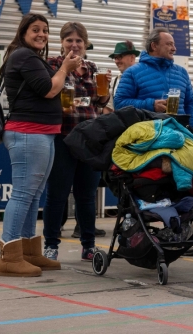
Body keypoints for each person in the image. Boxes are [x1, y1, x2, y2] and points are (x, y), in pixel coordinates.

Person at [0, 14, 81, 276]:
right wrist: (65, 68)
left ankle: (30, 252)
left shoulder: (32, 58)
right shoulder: (23, 56)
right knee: (23, 194)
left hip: (41, 134)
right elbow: (48, 90)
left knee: (33, 196)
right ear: (23, 32)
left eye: (45, 30)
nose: (41, 34)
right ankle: (9, 257)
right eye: (35, 30)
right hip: (28, 134)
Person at [44, 22, 112, 262]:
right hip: (63, 137)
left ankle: (88, 246)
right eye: (69, 40)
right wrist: (65, 67)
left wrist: (106, 89)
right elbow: (49, 92)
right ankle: (50, 245)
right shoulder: (53, 64)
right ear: (61, 43)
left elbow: (100, 103)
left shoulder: (93, 68)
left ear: (85, 44)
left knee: (86, 195)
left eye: (79, 41)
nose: (74, 45)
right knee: (57, 194)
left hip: (89, 139)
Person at [114, 28, 193, 129]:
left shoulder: (182, 72)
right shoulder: (132, 72)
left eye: (174, 44)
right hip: (148, 137)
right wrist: (151, 105)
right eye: (169, 44)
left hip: (180, 135)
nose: (174, 48)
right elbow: (119, 104)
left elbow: (190, 104)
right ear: (154, 46)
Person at [102, 40, 140, 114]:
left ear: (132, 58)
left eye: (120, 57)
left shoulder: (142, 77)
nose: (116, 61)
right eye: (115, 58)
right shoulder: (114, 82)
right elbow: (108, 109)